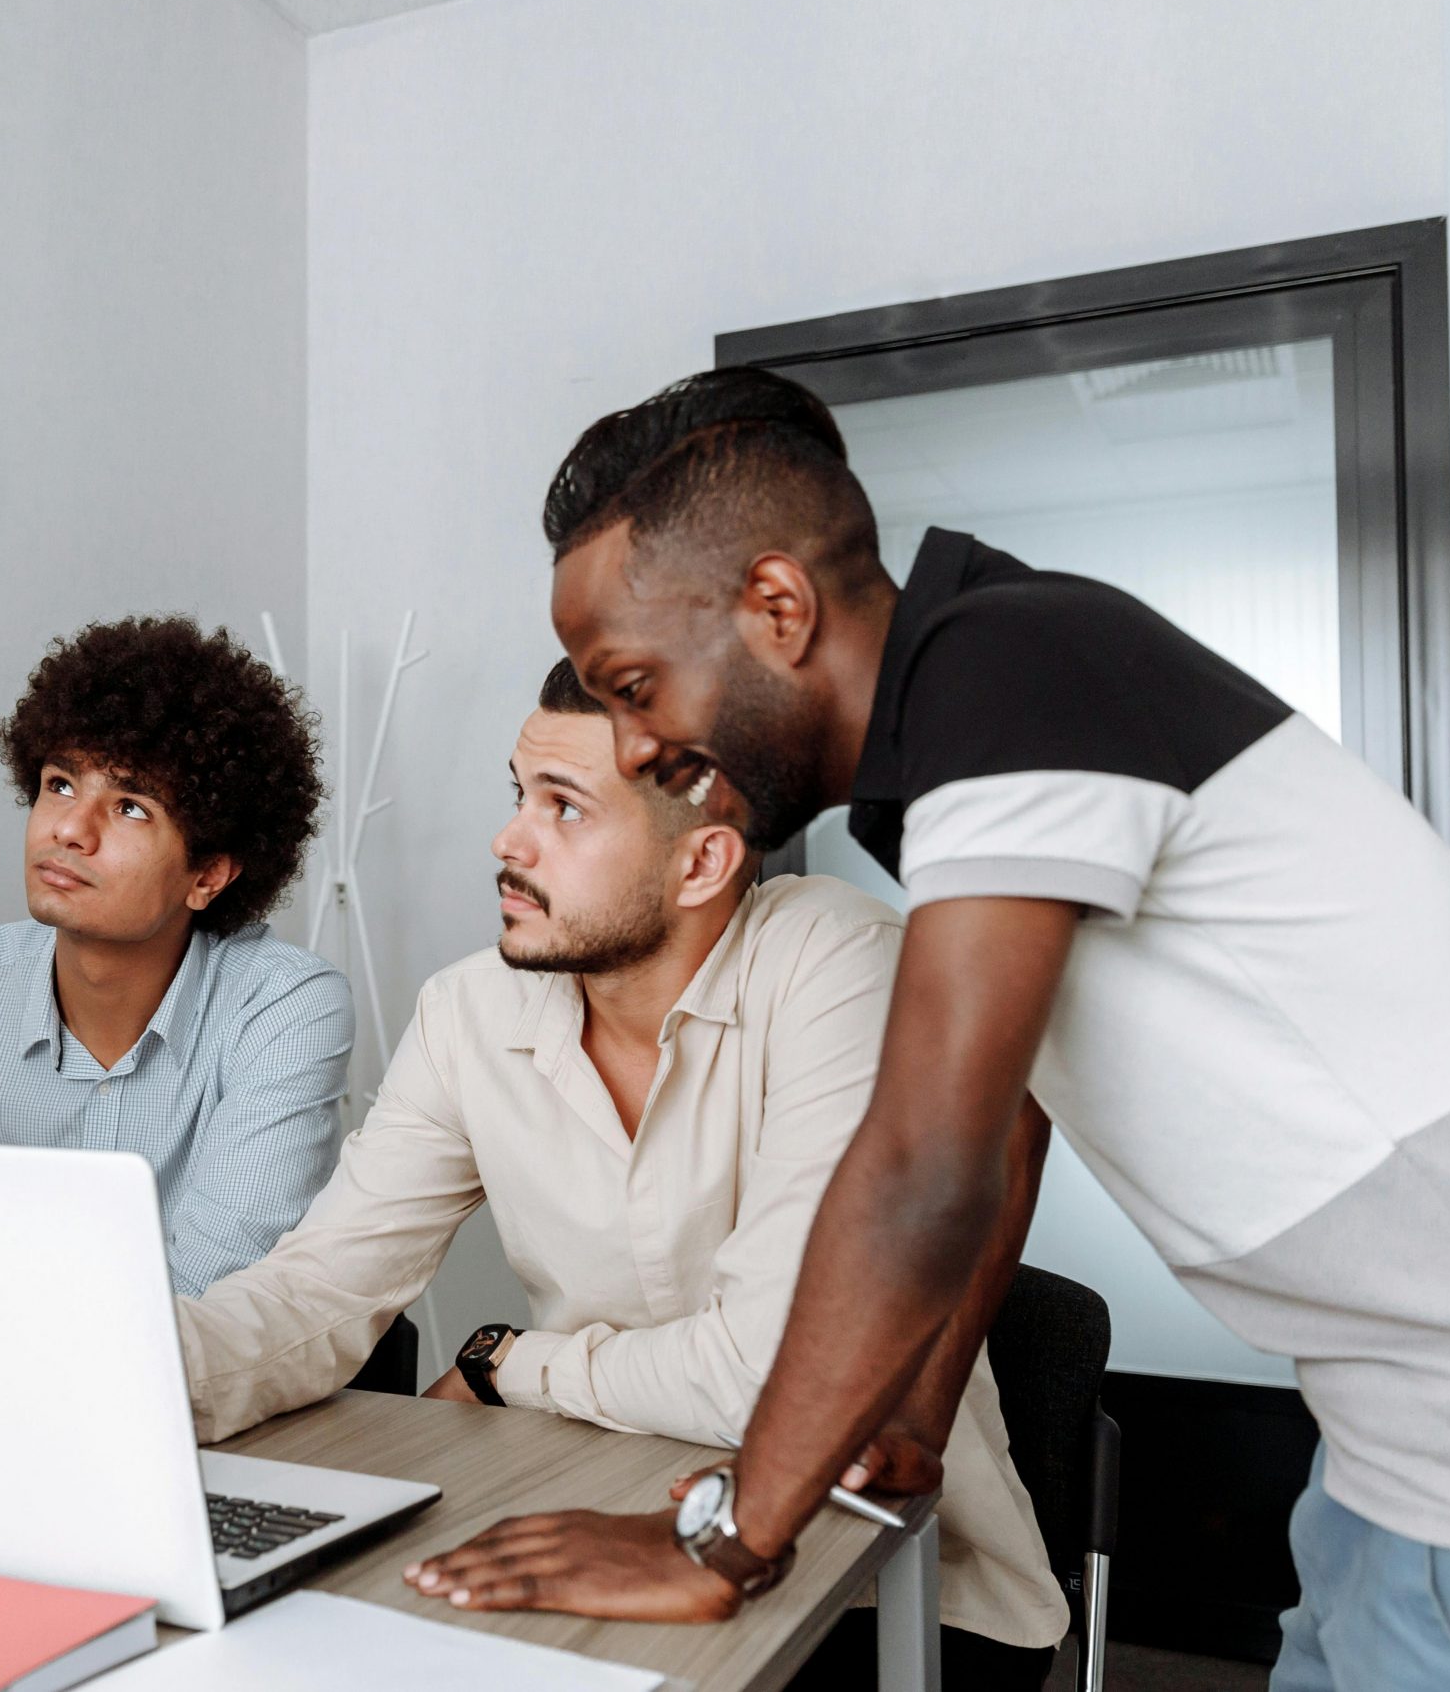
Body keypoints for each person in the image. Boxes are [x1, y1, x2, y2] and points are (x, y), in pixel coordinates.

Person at [405, 370, 1450, 1692]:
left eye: (637, 687)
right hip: (1393, 1426)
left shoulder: (1002, 669)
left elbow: (921, 1169)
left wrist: (729, 1540)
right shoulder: (965, 739)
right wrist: (916, 1420)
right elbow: (1003, 1128)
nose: (637, 747)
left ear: (777, 609)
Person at [181, 660, 1065, 1686]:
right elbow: (319, 1291)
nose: (508, 841)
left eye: (563, 808)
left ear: (701, 863)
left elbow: (773, 1374)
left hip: (887, 1586)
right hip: (593, 1514)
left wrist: (514, 1364)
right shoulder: (469, 1010)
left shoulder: (837, 961)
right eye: (518, 794)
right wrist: (127, 1372)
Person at [0, 616, 351, 1295]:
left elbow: (209, 1295)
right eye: (60, 784)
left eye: (131, 807)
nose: (70, 829)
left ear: (207, 875)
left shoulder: (285, 1009)